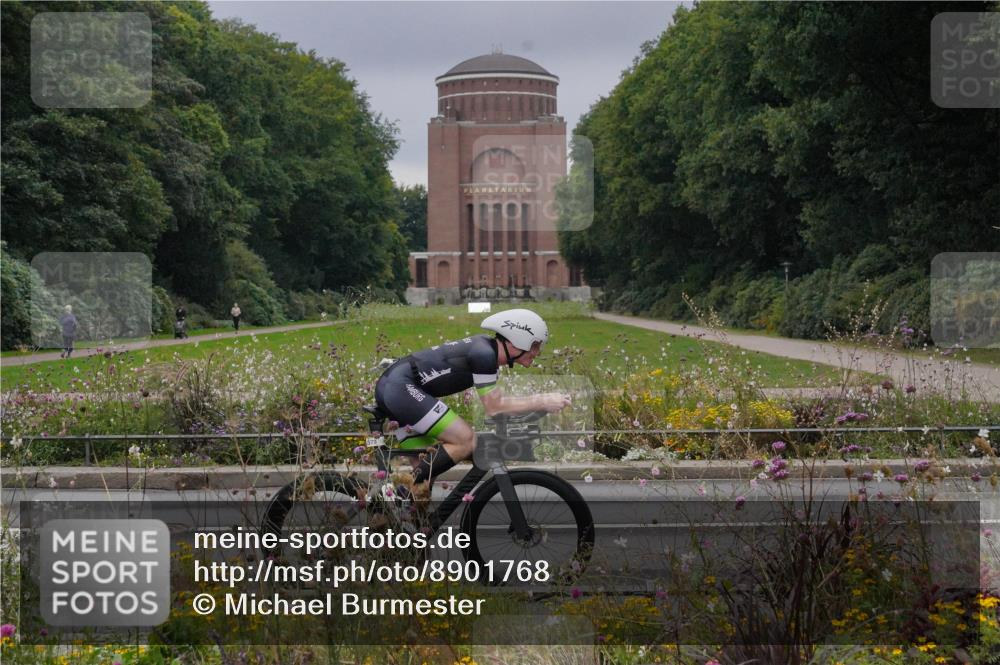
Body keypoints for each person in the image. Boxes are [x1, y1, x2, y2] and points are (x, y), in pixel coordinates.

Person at [374, 308, 570, 489]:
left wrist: (538, 406)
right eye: (535, 345)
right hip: (399, 388)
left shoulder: (487, 351)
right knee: (465, 440)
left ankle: (402, 508)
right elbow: (494, 407)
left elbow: (500, 404)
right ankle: (401, 489)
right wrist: (542, 401)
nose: (537, 352)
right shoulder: (484, 354)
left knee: (424, 479)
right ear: (518, 339)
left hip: (397, 387)